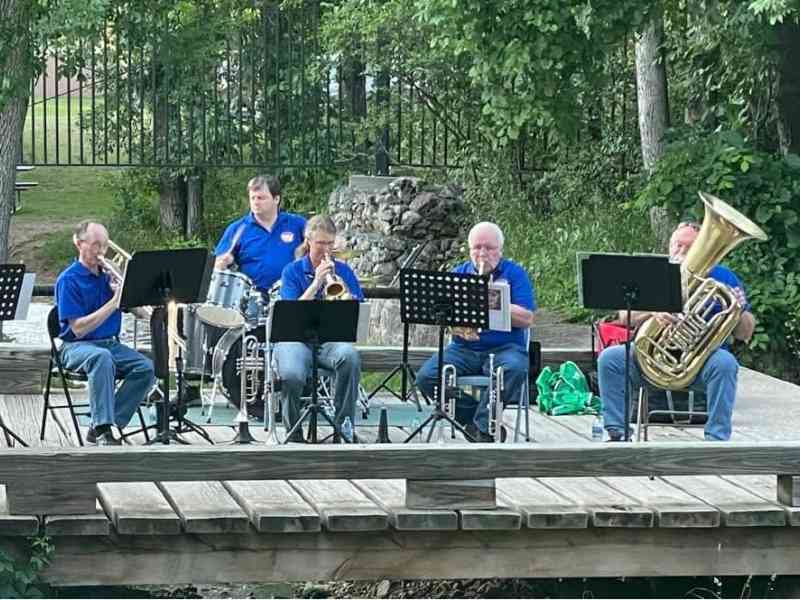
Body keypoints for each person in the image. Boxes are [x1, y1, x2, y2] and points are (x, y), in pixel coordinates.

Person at [599, 221, 755, 442]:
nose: (681, 252)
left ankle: (717, 440)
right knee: (610, 359)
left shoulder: (723, 277)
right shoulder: (653, 273)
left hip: (702, 360)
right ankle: (616, 432)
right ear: (669, 245)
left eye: (689, 247)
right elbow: (625, 317)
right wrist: (653, 312)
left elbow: (745, 334)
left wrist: (739, 311)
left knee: (726, 364)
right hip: (650, 356)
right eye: (677, 245)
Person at [415, 222, 537, 442]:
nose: (482, 254)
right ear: (469, 249)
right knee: (427, 376)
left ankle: (483, 428)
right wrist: (457, 326)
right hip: (464, 347)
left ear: (500, 249)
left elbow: (527, 318)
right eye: (477, 248)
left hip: (505, 347)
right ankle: (474, 419)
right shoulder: (458, 273)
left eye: (489, 248)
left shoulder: (515, 274)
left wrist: (489, 298)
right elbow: (444, 314)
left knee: (514, 369)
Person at [55, 221, 156, 446]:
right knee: (102, 358)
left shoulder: (109, 273)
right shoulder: (68, 280)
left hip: (110, 344)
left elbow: (139, 312)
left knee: (146, 368)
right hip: (75, 346)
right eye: (95, 245)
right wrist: (114, 302)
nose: (101, 252)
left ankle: (106, 423)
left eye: (104, 246)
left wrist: (131, 292)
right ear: (79, 243)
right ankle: (103, 428)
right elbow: (78, 329)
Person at [274, 215, 365, 443]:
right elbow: (290, 313)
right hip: (295, 338)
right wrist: (316, 284)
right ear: (308, 241)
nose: (325, 249)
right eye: (320, 243)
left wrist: (347, 296)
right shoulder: (292, 271)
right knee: (292, 375)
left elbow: (359, 308)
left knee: (350, 357)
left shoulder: (342, 271)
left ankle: (343, 426)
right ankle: (294, 433)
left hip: (329, 340)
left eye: (329, 244)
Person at [214, 175, 306, 293]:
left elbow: (318, 244)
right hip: (253, 300)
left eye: (261, 198)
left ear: (276, 199)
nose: (255, 202)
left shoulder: (297, 224)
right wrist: (222, 262)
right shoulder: (237, 228)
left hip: (292, 295)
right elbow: (216, 265)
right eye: (252, 198)